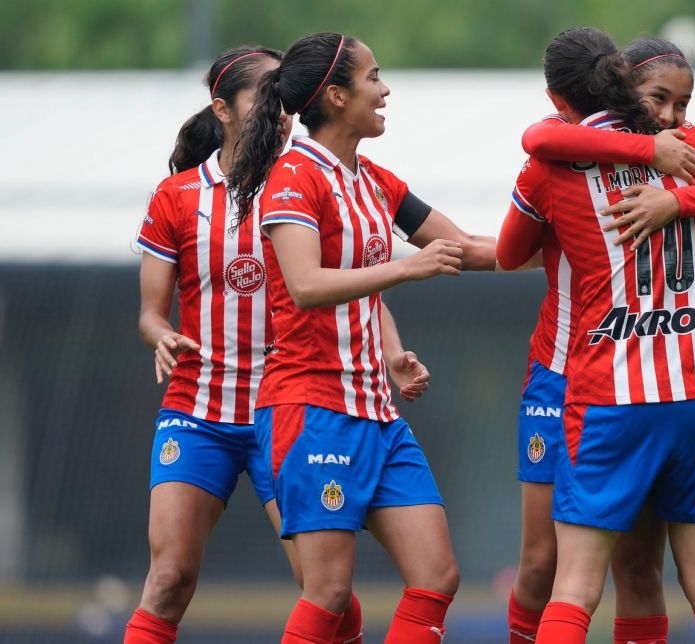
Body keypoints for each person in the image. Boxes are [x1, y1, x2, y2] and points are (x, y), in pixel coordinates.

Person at [502, 37, 695, 644]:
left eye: (683, 103)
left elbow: (507, 250)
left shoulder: (683, 150)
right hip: (694, 390)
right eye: (661, 100)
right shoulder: (674, 150)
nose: (675, 116)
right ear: (622, 83)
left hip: (608, 392)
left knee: (582, 582)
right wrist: (665, 171)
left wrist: (677, 200)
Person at [226, 31, 493, 643]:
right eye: (375, 77)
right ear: (338, 96)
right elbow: (306, 284)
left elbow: (468, 248)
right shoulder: (293, 174)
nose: (386, 88)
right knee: (330, 594)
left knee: (437, 576)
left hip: (376, 410)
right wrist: (407, 266)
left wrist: (567, 239)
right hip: (310, 407)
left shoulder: (373, 179)